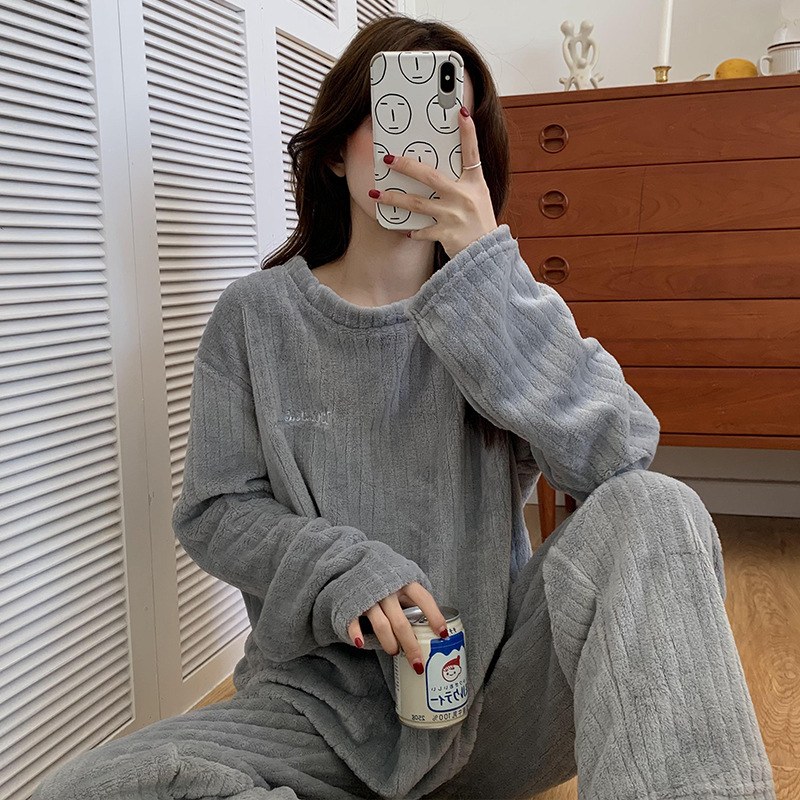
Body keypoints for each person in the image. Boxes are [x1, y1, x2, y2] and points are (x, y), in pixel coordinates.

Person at [31, 13, 777, 800]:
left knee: (656, 507)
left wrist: (488, 274)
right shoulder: (255, 317)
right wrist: (346, 568)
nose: (422, 146)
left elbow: (619, 453)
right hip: (315, 716)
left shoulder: (495, 305)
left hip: (492, 703)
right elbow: (217, 511)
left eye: (452, 128)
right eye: (395, 114)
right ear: (334, 152)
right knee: (96, 786)